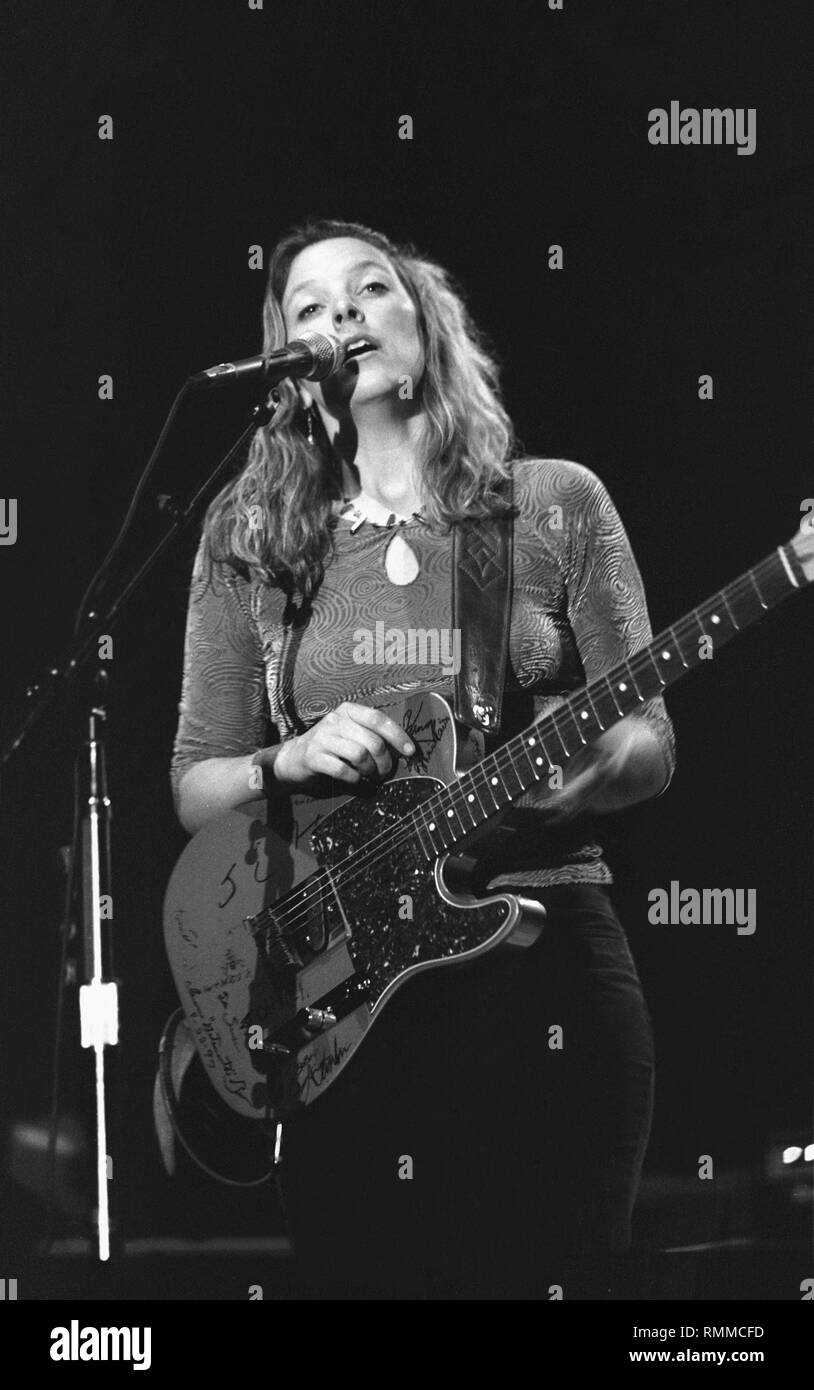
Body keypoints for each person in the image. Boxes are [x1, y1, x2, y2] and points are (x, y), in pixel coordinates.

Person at [170, 218, 675, 1299]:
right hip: (343, 1003)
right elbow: (198, 779)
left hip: (544, 958)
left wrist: (592, 774)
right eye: (310, 308)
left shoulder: (554, 503)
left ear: (426, 321)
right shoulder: (246, 537)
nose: (343, 315)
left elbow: (647, 733)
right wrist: (290, 756)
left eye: (371, 289)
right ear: (288, 366)